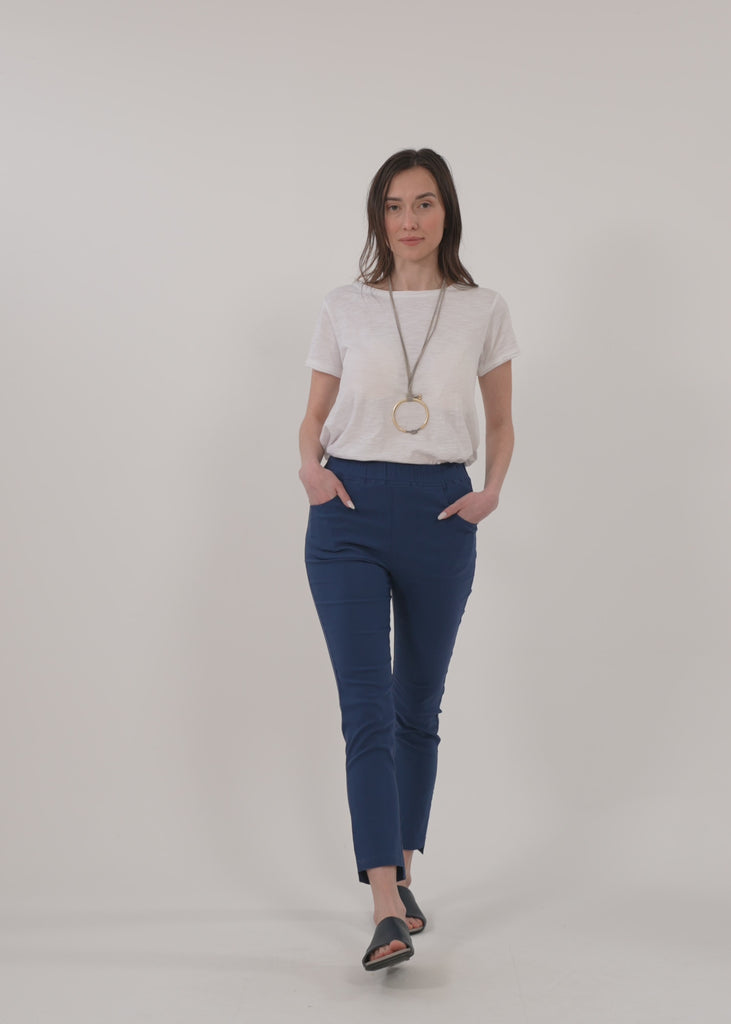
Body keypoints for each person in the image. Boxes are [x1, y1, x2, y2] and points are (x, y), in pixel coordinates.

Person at [298, 148, 519, 971]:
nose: (409, 220)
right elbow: (311, 416)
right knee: (365, 709)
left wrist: (490, 492)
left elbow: (500, 421)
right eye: (393, 206)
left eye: (423, 203)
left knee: (416, 707)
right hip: (347, 513)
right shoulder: (344, 305)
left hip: (439, 511)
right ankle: (385, 906)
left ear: (445, 211)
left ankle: (405, 872)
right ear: (377, 218)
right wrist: (310, 471)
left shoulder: (482, 308)